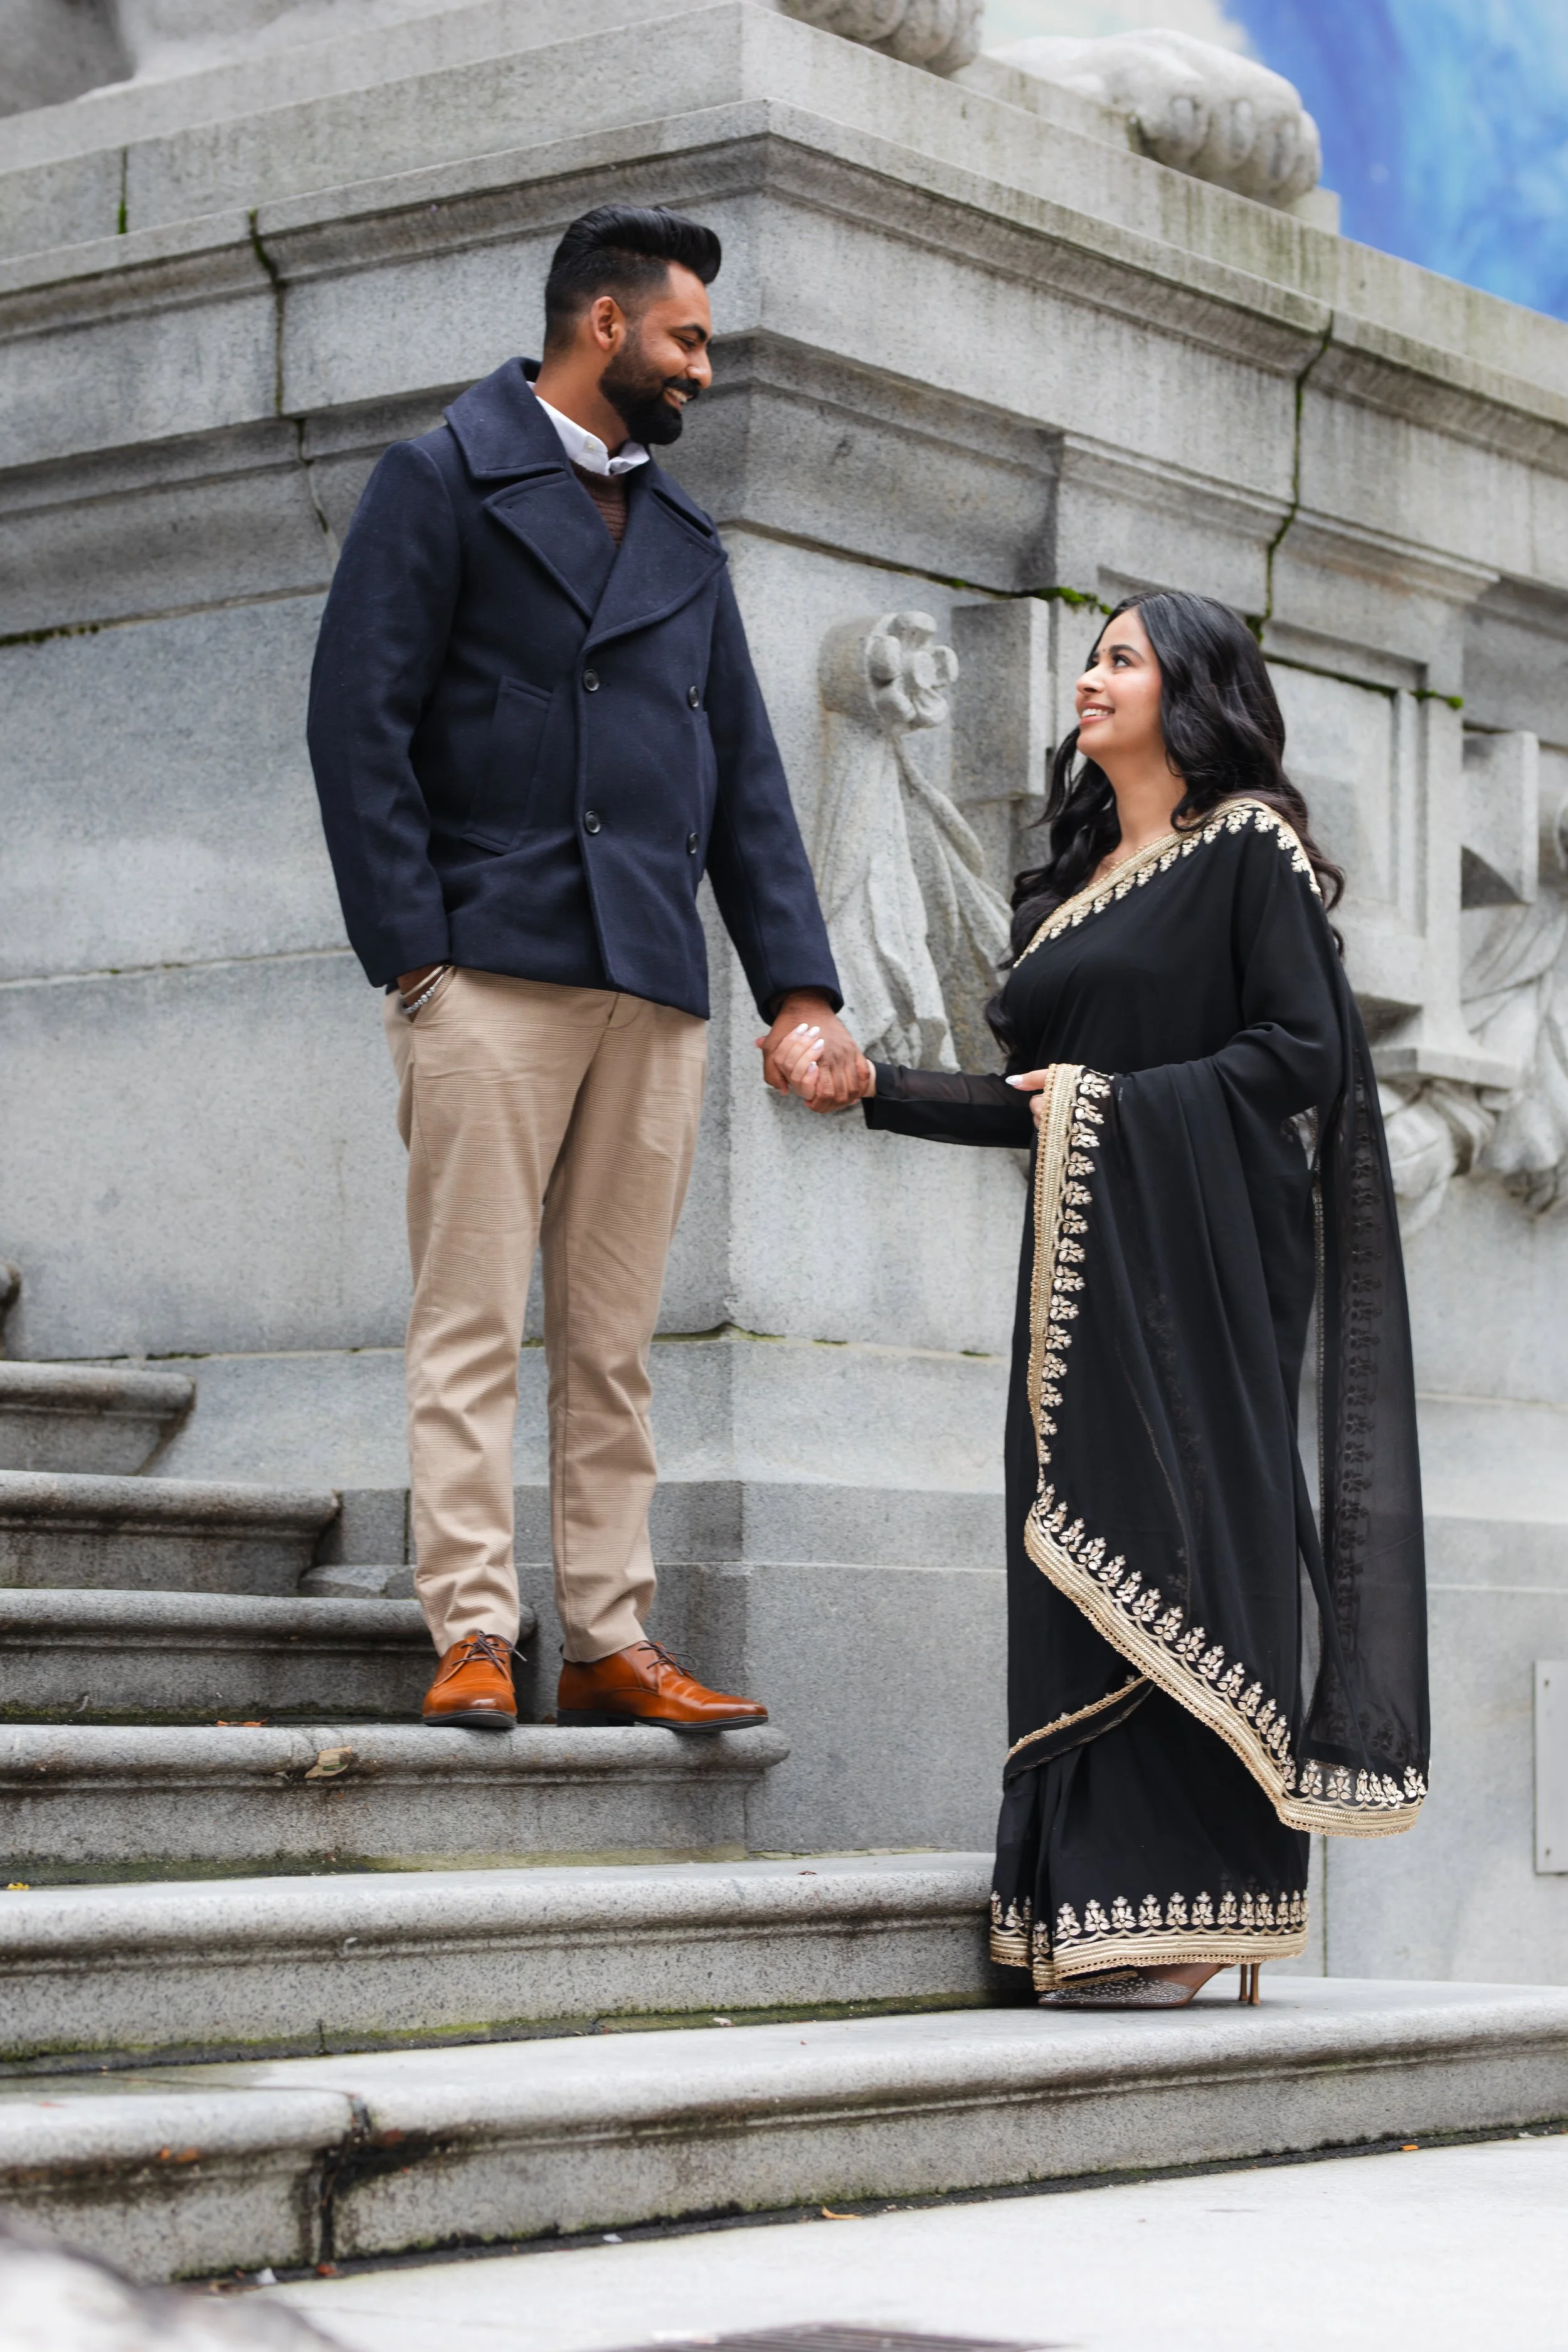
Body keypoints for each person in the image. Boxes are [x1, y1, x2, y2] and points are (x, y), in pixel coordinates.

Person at [776, 592, 1429, 2006]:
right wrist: (871, 1082)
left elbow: (1300, 1058)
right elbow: (1038, 1106)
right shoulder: (1061, 897)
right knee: (1072, 1547)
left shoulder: (1245, 850)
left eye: (1119, 658)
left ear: (1189, 691)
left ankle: (1210, 1905)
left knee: (1198, 1536)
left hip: (1207, 1266)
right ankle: (1093, 1902)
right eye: (1090, 655)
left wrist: (1110, 1106)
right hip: (1079, 1280)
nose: (1088, 678)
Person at [308, 203, 868, 1733]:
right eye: (689, 337)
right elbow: (356, 726)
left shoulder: (683, 537)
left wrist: (797, 989)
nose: (705, 366)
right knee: (472, 1321)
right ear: (603, 326)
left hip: (650, 983)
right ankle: (477, 1631)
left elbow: (744, 773)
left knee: (612, 1344)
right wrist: (414, 955)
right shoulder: (440, 479)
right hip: (488, 966)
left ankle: (612, 1639)